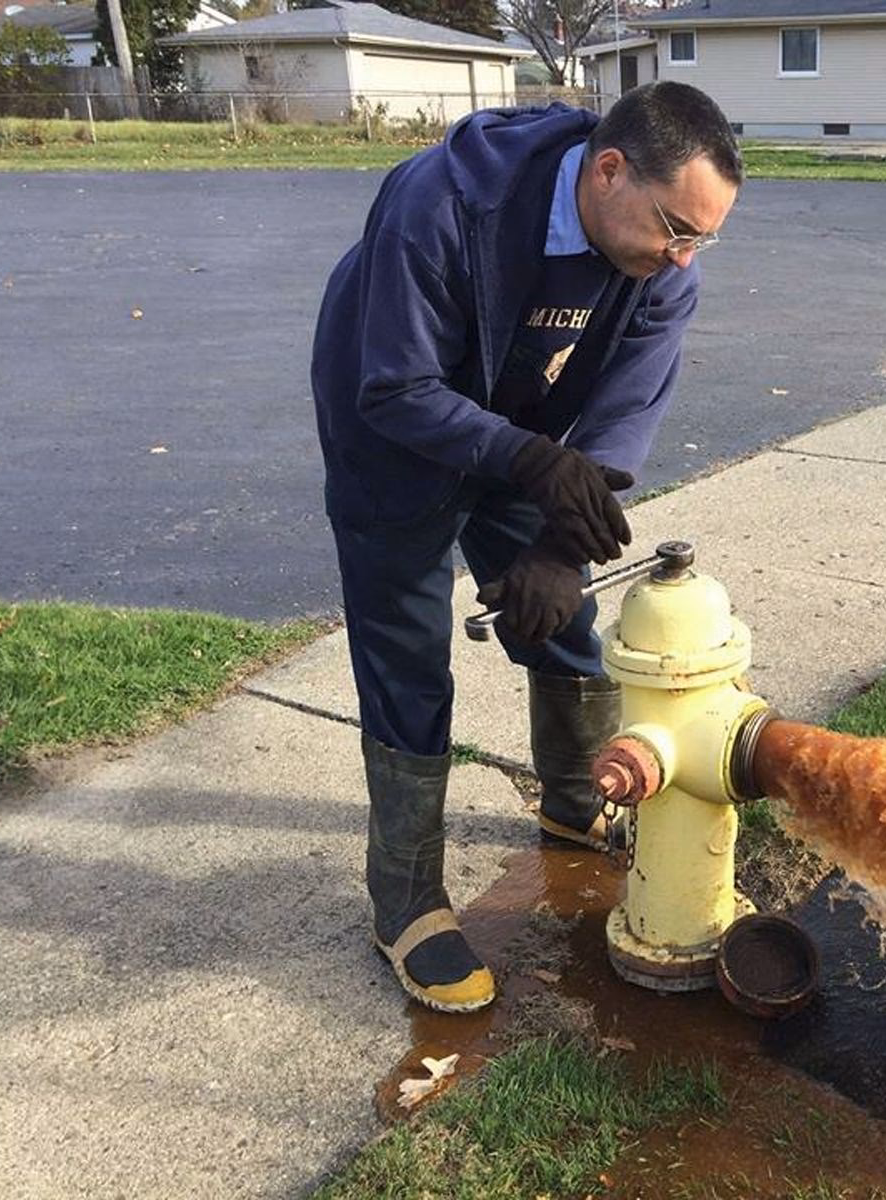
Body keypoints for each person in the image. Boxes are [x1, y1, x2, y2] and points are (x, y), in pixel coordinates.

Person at [310, 82, 743, 1014]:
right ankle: (407, 902)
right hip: (389, 425)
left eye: (702, 238)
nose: (681, 258)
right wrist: (530, 460)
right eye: (675, 227)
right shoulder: (443, 203)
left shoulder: (665, 268)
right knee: (409, 657)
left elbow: (625, 410)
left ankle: (576, 799)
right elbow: (395, 386)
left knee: (564, 619)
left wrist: (557, 542)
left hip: (521, 422)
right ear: (609, 170)